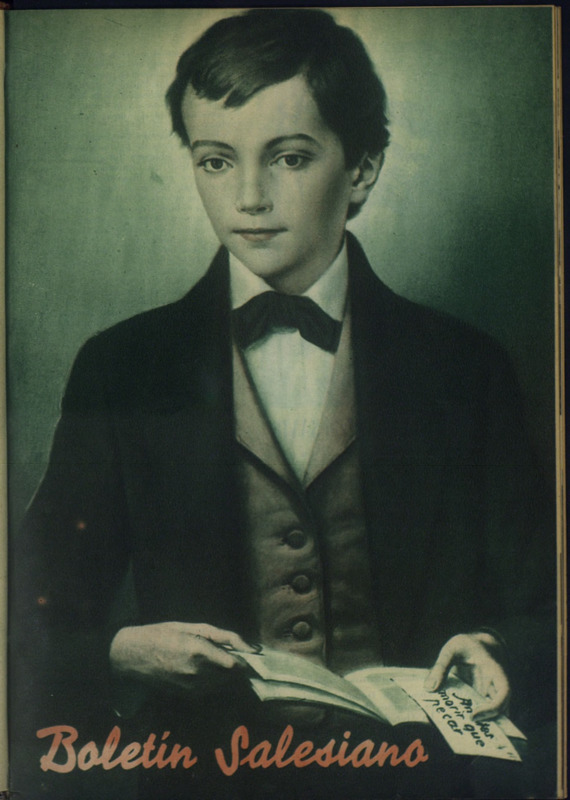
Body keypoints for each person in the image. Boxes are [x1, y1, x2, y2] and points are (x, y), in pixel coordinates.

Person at [11, 9, 555, 800]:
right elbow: (30, 617)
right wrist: (121, 651)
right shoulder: (122, 368)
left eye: (290, 157)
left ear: (362, 169)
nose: (249, 197)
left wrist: (498, 649)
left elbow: (547, 610)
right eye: (215, 161)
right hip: (198, 783)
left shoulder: (466, 369)